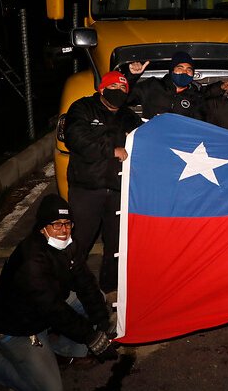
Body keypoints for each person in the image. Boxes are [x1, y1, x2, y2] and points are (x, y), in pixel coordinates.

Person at [0, 194, 118, 391]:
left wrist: (102, 322)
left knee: (99, 299)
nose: (64, 230)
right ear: (42, 227)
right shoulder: (31, 260)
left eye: (68, 223)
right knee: (51, 388)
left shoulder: (69, 244)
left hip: (46, 313)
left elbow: (85, 283)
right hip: (19, 328)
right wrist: (90, 336)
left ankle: (60, 350)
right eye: (56, 224)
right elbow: (54, 309)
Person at [64, 71, 142, 302]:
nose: (119, 93)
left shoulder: (128, 116)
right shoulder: (82, 108)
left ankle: (110, 287)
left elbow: (142, 139)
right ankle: (69, 288)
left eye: (123, 90)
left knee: (116, 243)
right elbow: (76, 138)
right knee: (79, 241)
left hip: (118, 189)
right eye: (114, 89)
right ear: (102, 89)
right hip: (87, 188)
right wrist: (112, 149)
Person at [125, 51, 228, 121]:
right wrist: (132, 76)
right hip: (153, 140)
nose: (184, 72)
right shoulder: (152, 86)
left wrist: (221, 87)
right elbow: (125, 99)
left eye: (189, 70)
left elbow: (208, 92)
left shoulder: (195, 94)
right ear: (171, 71)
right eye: (180, 68)